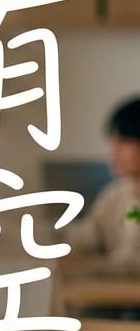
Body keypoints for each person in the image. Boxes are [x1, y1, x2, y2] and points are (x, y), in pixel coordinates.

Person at [66, 95, 140, 276]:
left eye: (123, 142)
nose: (113, 152)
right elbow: (84, 238)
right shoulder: (115, 194)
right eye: (112, 142)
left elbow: (132, 264)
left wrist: (88, 267)